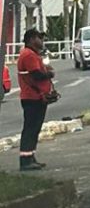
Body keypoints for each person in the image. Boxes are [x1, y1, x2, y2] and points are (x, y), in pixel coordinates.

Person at [16, 27, 55, 171]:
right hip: (32, 97)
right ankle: (25, 160)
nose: (42, 40)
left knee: (34, 128)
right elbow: (36, 75)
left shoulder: (33, 54)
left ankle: (30, 156)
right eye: (39, 38)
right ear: (32, 39)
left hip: (36, 97)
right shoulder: (29, 55)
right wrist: (50, 74)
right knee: (31, 128)